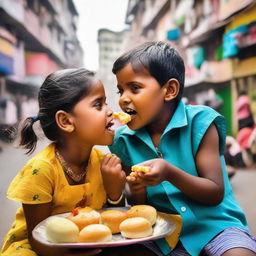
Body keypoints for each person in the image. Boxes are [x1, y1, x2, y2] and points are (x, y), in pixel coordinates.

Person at [109, 41, 256, 256]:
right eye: (120, 90)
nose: (123, 99)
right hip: (161, 235)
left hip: (217, 227)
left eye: (135, 88)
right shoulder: (123, 140)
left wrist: (169, 172)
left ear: (169, 90)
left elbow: (215, 192)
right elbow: (140, 208)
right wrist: (137, 191)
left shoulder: (201, 122)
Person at [0, 68, 126, 256]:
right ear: (66, 121)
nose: (111, 112)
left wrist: (115, 193)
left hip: (84, 243)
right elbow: (38, 240)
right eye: (98, 105)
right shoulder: (41, 170)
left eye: (106, 103)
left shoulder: (103, 163)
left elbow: (112, 224)